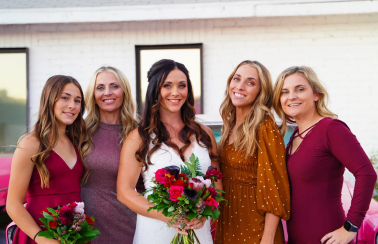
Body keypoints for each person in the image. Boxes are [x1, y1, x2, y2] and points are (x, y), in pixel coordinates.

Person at [117, 59, 221, 244]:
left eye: (182, 85)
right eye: (167, 85)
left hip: (198, 232)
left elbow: (217, 185)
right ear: (156, 90)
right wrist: (169, 217)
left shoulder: (204, 134)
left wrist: (204, 215)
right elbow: (125, 192)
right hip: (155, 231)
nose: (176, 92)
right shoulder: (139, 137)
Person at [272, 66, 377, 244]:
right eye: (284, 92)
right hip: (297, 237)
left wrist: (351, 227)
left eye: (300, 89)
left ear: (316, 94)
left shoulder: (331, 129)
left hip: (326, 236)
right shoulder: (295, 135)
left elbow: (366, 173)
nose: (291, 96)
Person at [214, 60, 290, 244]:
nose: (240, 86)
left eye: (250, 82)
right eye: (236, 78)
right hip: (228, 220)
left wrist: (268, 238)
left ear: (260, 91)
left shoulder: (265, 127)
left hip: (256, 227)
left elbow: (274, 186)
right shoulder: (229, 124)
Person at [6, 75, 89, 244]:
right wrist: (41, 238)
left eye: (78, 100)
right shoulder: (31, 143)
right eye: (65, 98)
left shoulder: (77, 142)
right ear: (49, 100)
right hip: (39, 233)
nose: (72, 105)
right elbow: (13, 204)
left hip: (74, 234)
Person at [81, 66, 144, 243]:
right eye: (100, 87)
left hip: (127, 229)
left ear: (124, 90)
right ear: (93, 95)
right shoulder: (79, 132)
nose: (107, 93)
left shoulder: (139, 133)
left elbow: (147, 185)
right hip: (83, 230)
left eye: (114, 86)